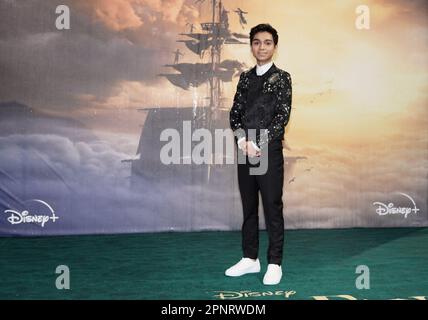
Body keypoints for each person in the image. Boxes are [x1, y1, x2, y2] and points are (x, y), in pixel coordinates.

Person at [226, 23, 292, 285]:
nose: (261, 47)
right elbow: (235, 113)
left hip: (268, 149)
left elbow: (281, 116)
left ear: (274, 46)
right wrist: (243, 139)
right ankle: (250, 259)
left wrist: (259, 143)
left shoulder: (282, 78)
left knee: (272, 207)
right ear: (251, 45)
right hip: (245, 148)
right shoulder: (244, 78)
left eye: (266, 42)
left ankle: (275, 263)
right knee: (249, 205)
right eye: (256, 42)